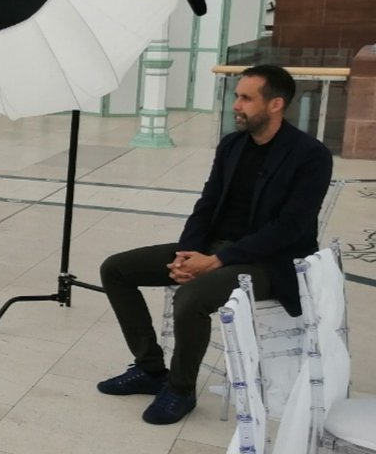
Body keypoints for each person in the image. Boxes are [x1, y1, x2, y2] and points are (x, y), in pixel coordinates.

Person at [97, 63, 332, 426]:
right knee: (116, 268)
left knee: (190, 299)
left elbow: (289, 228)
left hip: (268, 261)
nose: (236, 105)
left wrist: (217, 261)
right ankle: (150, 369)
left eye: (245, 98)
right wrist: (185, 254)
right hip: (215, 249)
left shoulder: (311, 156)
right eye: (236, 96)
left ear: (275, 105)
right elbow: (207, 205)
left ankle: (179, 389)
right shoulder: (232, 145)